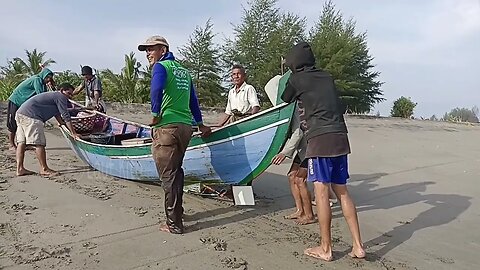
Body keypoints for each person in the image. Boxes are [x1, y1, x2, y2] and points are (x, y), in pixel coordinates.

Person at [281, 42, 365, 261]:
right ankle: (358, 246)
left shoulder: (297, 78)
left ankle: (325, 248)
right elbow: (340, 106)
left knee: (320, 189)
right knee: (342, 191)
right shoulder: (327, 77)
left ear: (294, 62)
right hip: (340, 136)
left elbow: (285, 98)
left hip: (319, 138)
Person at [138, 35, 211, 234]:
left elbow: (157, 89)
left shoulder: (161, 67)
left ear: (163, 49)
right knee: (176, 171)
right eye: (146, 50)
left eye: (151, 49)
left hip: (167, 128)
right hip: (185, 128)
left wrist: (155, 115)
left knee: (168, 176)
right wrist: (201, 124)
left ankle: (174, 224)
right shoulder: (184, 71)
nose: (148, 54)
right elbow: (193, 101)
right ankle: (178, 213)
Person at [15, 83, 78, 177]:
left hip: (21, 113)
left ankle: (19, 169)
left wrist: (61, 124)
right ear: (62, 90)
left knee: (22, 143)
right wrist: (74, 133)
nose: (69, 96)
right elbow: (66, 115)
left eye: (71, 94)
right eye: (68, 93)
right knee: (39, 143)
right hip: (32, 117)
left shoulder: (54, 96)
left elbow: (57, 113)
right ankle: (44, 169)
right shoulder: (60, 96)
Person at [271, 108, 315, 225]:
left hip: (311, 148)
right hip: (303, 148)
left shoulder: (296, 108)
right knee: (292, 176)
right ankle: (300, 210)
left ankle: (310, 215)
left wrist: (284, 153)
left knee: (300, 179)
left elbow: (298, 133)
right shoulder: (293, 106)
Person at [6, 68, 54, 150]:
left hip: (24, 104)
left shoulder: (42, 83)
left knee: (24, 123)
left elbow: (44, 95)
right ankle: (11, 144)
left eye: (50, 78)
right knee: (12, 123)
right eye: (47, 77)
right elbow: (41, 94)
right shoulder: (37, 80)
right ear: (43, 76)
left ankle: (25, 144)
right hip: (16, 100)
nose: (48, 79)